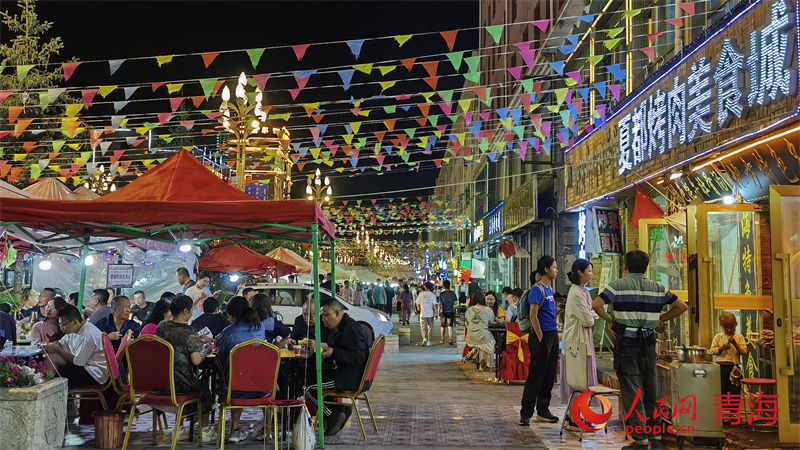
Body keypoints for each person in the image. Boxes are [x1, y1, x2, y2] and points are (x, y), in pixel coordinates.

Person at [592, 250, 688, 450]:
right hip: (649, 343)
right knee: (651, 390)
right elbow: (681, 306)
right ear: (646, 267)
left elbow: (597, 304)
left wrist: (611, 321)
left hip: (627, 343)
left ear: (626, 267)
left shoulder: (617, 286)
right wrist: (660, 319)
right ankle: (656, 437)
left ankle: (641, 440)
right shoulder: (657, 287)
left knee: (633, 390)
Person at [304, 297, 373, 436]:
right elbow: (346, 348)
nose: (323, 320)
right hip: (348, 373)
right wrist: (329, 347)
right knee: (312, 378)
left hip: (350, 378)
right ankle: (340, 410)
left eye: (325, 316)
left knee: (308, 387)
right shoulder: (344, 325)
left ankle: (333, 414)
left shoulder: (351, 328)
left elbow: (359, 356)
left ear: (336, 313)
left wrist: (334, 352)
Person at [156, 295, 216, 442]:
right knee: (204, 390)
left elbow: (174, 341)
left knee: (185, 379)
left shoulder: (162, 326)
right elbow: (196, 361)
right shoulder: (190, 331)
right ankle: (205, 431)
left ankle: (180, 428)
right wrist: (206, 351)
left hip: (161, 382)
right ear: (185, 311)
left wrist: (197, 339)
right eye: (191, 309)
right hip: (181, 384)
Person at [215, 296, 266, 443]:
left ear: (231, 315)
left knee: (234, 377)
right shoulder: (260, 327)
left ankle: (234, 430)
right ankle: (268, 429)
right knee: (251, 376)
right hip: (263, 388)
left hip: (234, 389)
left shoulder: (228, 332)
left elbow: (221, 357)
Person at [520, 256, 560, 426]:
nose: (556, 271)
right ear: (546, 269)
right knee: (536, 375)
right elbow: (533, 315)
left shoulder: (549, 288)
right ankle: (526, 413)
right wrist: (541, 336)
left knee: (549, 375)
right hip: (541, 335)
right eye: (554, 267)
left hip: (552, 334)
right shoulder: (537, 289)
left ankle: (543, 410)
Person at [561, 259, 599, 431]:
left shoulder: (583, 292)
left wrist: (591, 317)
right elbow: (587, 319)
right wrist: (591, 317)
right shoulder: (576, 293)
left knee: (584, 380)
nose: (591, 274)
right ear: (580, 273)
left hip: (583, 340)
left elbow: (590, 316)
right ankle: (574, 417)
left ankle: (576, 415)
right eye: (589, 271)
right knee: (579, 380)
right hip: (576, 343)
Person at [42, 305, 108, 389]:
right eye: (60, 325)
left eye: (63, 325)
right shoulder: (75, 330)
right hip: (84, 367)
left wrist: (58, 349)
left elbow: (78, 362)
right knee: (52, 357)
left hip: (94, 374)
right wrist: (54, 346)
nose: (61, 328)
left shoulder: (88, 335)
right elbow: (62, 343)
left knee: (57, 374)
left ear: (74, 322)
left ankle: (48, 390)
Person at [708, 312, 747, 397]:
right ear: (721, 325)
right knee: (721, 390)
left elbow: (744, 351)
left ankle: (733, 409)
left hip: (734, 367)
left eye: (731, 327)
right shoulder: (718, 337)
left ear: (736, 324)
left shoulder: (739, 337)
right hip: (720, 367)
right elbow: (711, 351)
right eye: (726, 328)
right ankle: (722, 408)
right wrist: (722, 348)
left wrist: (735, 344)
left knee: (735, 391)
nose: (729, 330)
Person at [464, 291, 496, 370]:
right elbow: (491, 320)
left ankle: (476, 351)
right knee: (491, 343)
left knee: (482, 344)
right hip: (483, 335)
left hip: (470, 337)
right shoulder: (488, 310)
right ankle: (483, 363)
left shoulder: (469, 310)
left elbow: (467, 323)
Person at [415, 281, 439, 347]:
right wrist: (437, 314)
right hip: (430, 314)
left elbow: (417, 302)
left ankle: (424, 338)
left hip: (423, 314)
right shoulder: (433, 295)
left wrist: (418, 307)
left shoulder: (421, 294)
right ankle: (429, 341)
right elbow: (435, 306)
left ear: (425, 287)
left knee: (423, 327)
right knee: (430, 328)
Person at [439, 280, 457, 345]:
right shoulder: (453, 293)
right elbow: (455, 303)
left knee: (443, 326)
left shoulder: (442, 294)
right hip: (450, 311)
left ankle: (442, 339)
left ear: (443, 286)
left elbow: (440, 303)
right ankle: (450, 339)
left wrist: (438, 312)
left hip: (443, 311)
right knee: (450, 325)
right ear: (449, 285)